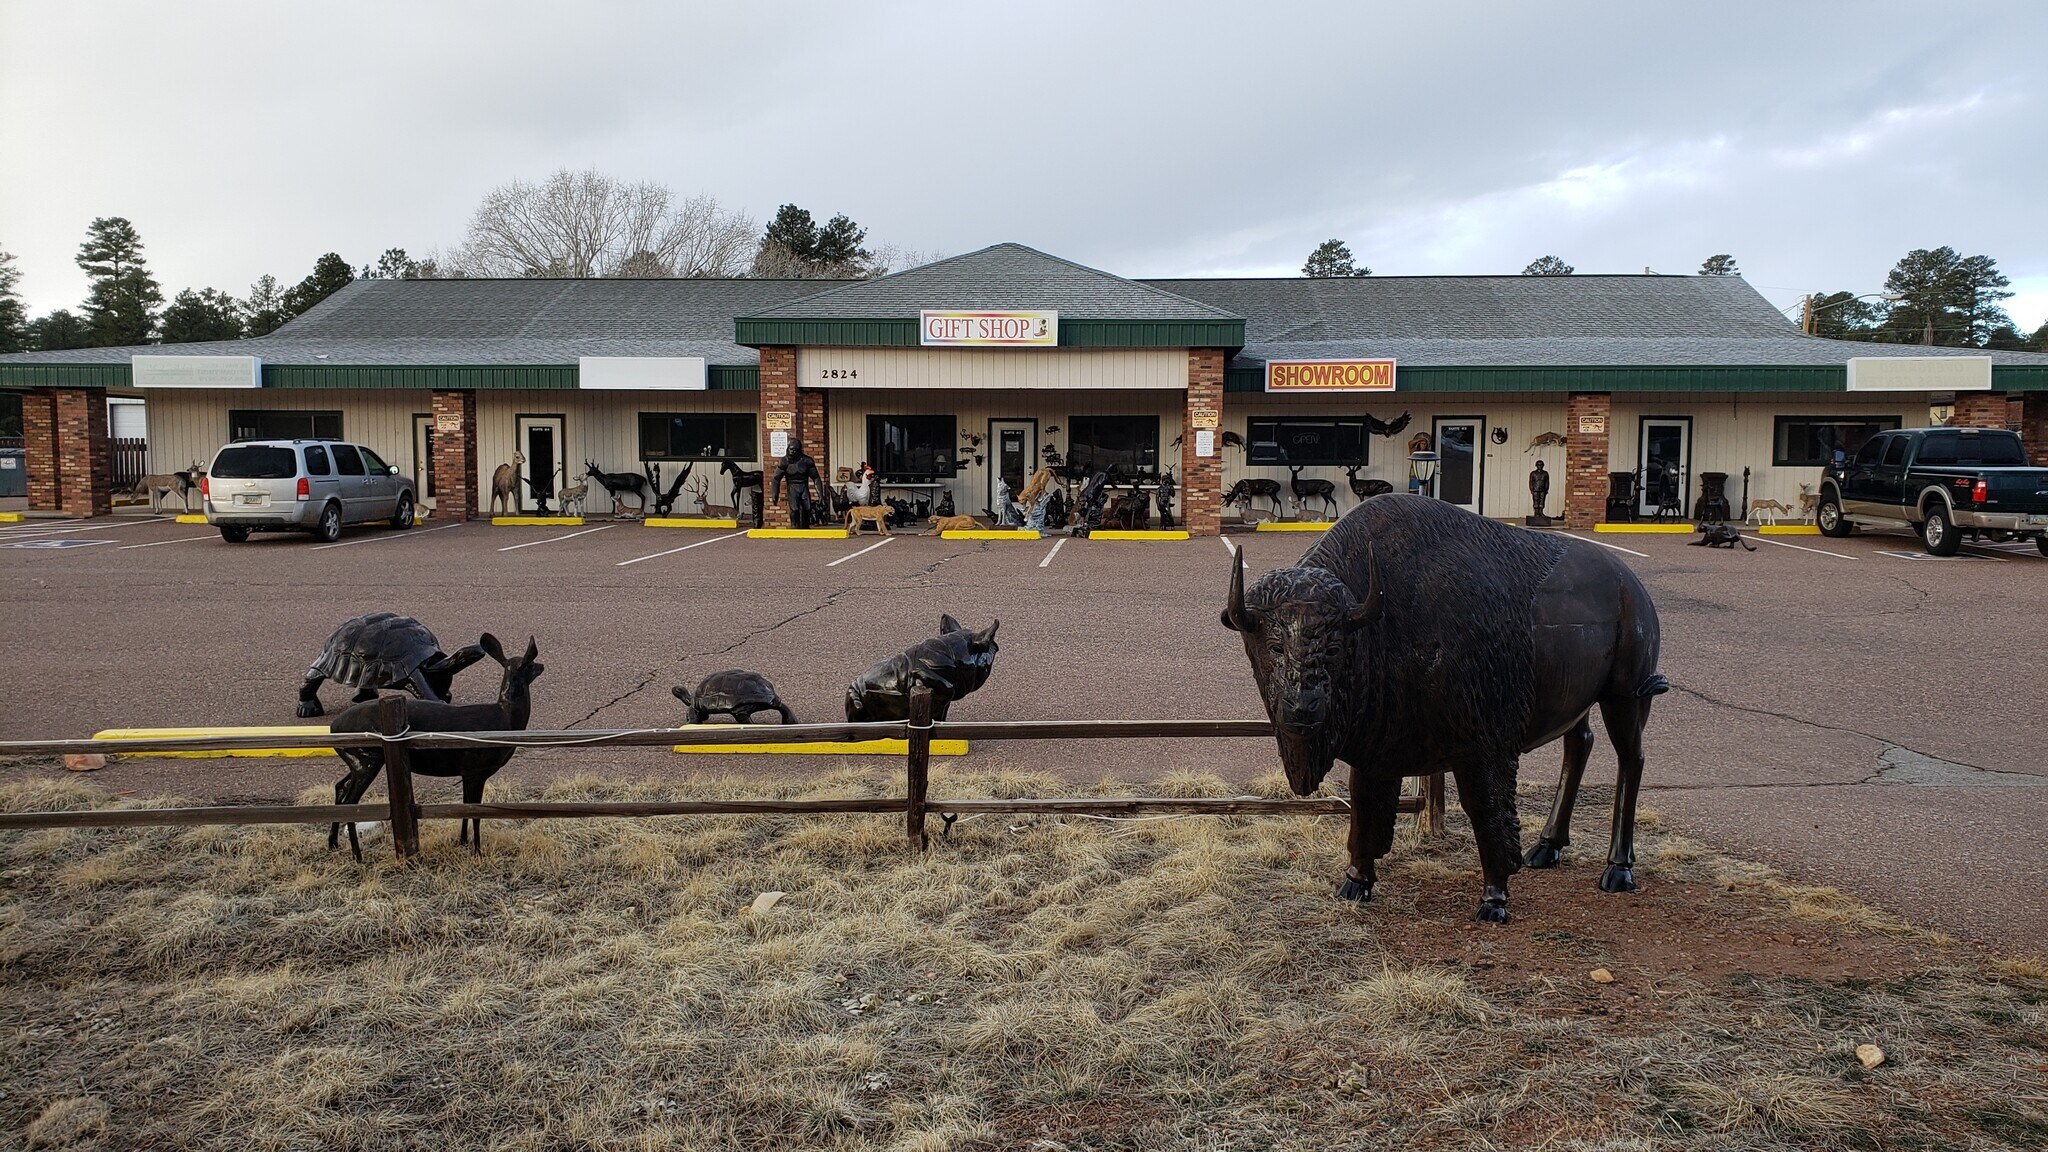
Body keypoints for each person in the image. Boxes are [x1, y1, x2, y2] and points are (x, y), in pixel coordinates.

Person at [770, 438, 826, 529]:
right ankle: (794, 527)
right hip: (792, 487)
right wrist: (774, 493)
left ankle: (805, 527)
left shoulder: (807, 461)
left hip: (803, 486)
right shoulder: (784, 461)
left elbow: (816, 478)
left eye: (794, 450)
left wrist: (821, 496)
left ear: (799, 450)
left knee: (807, 509)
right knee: (794, 509)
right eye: (790, 449)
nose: (791, 452)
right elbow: (776, 478)